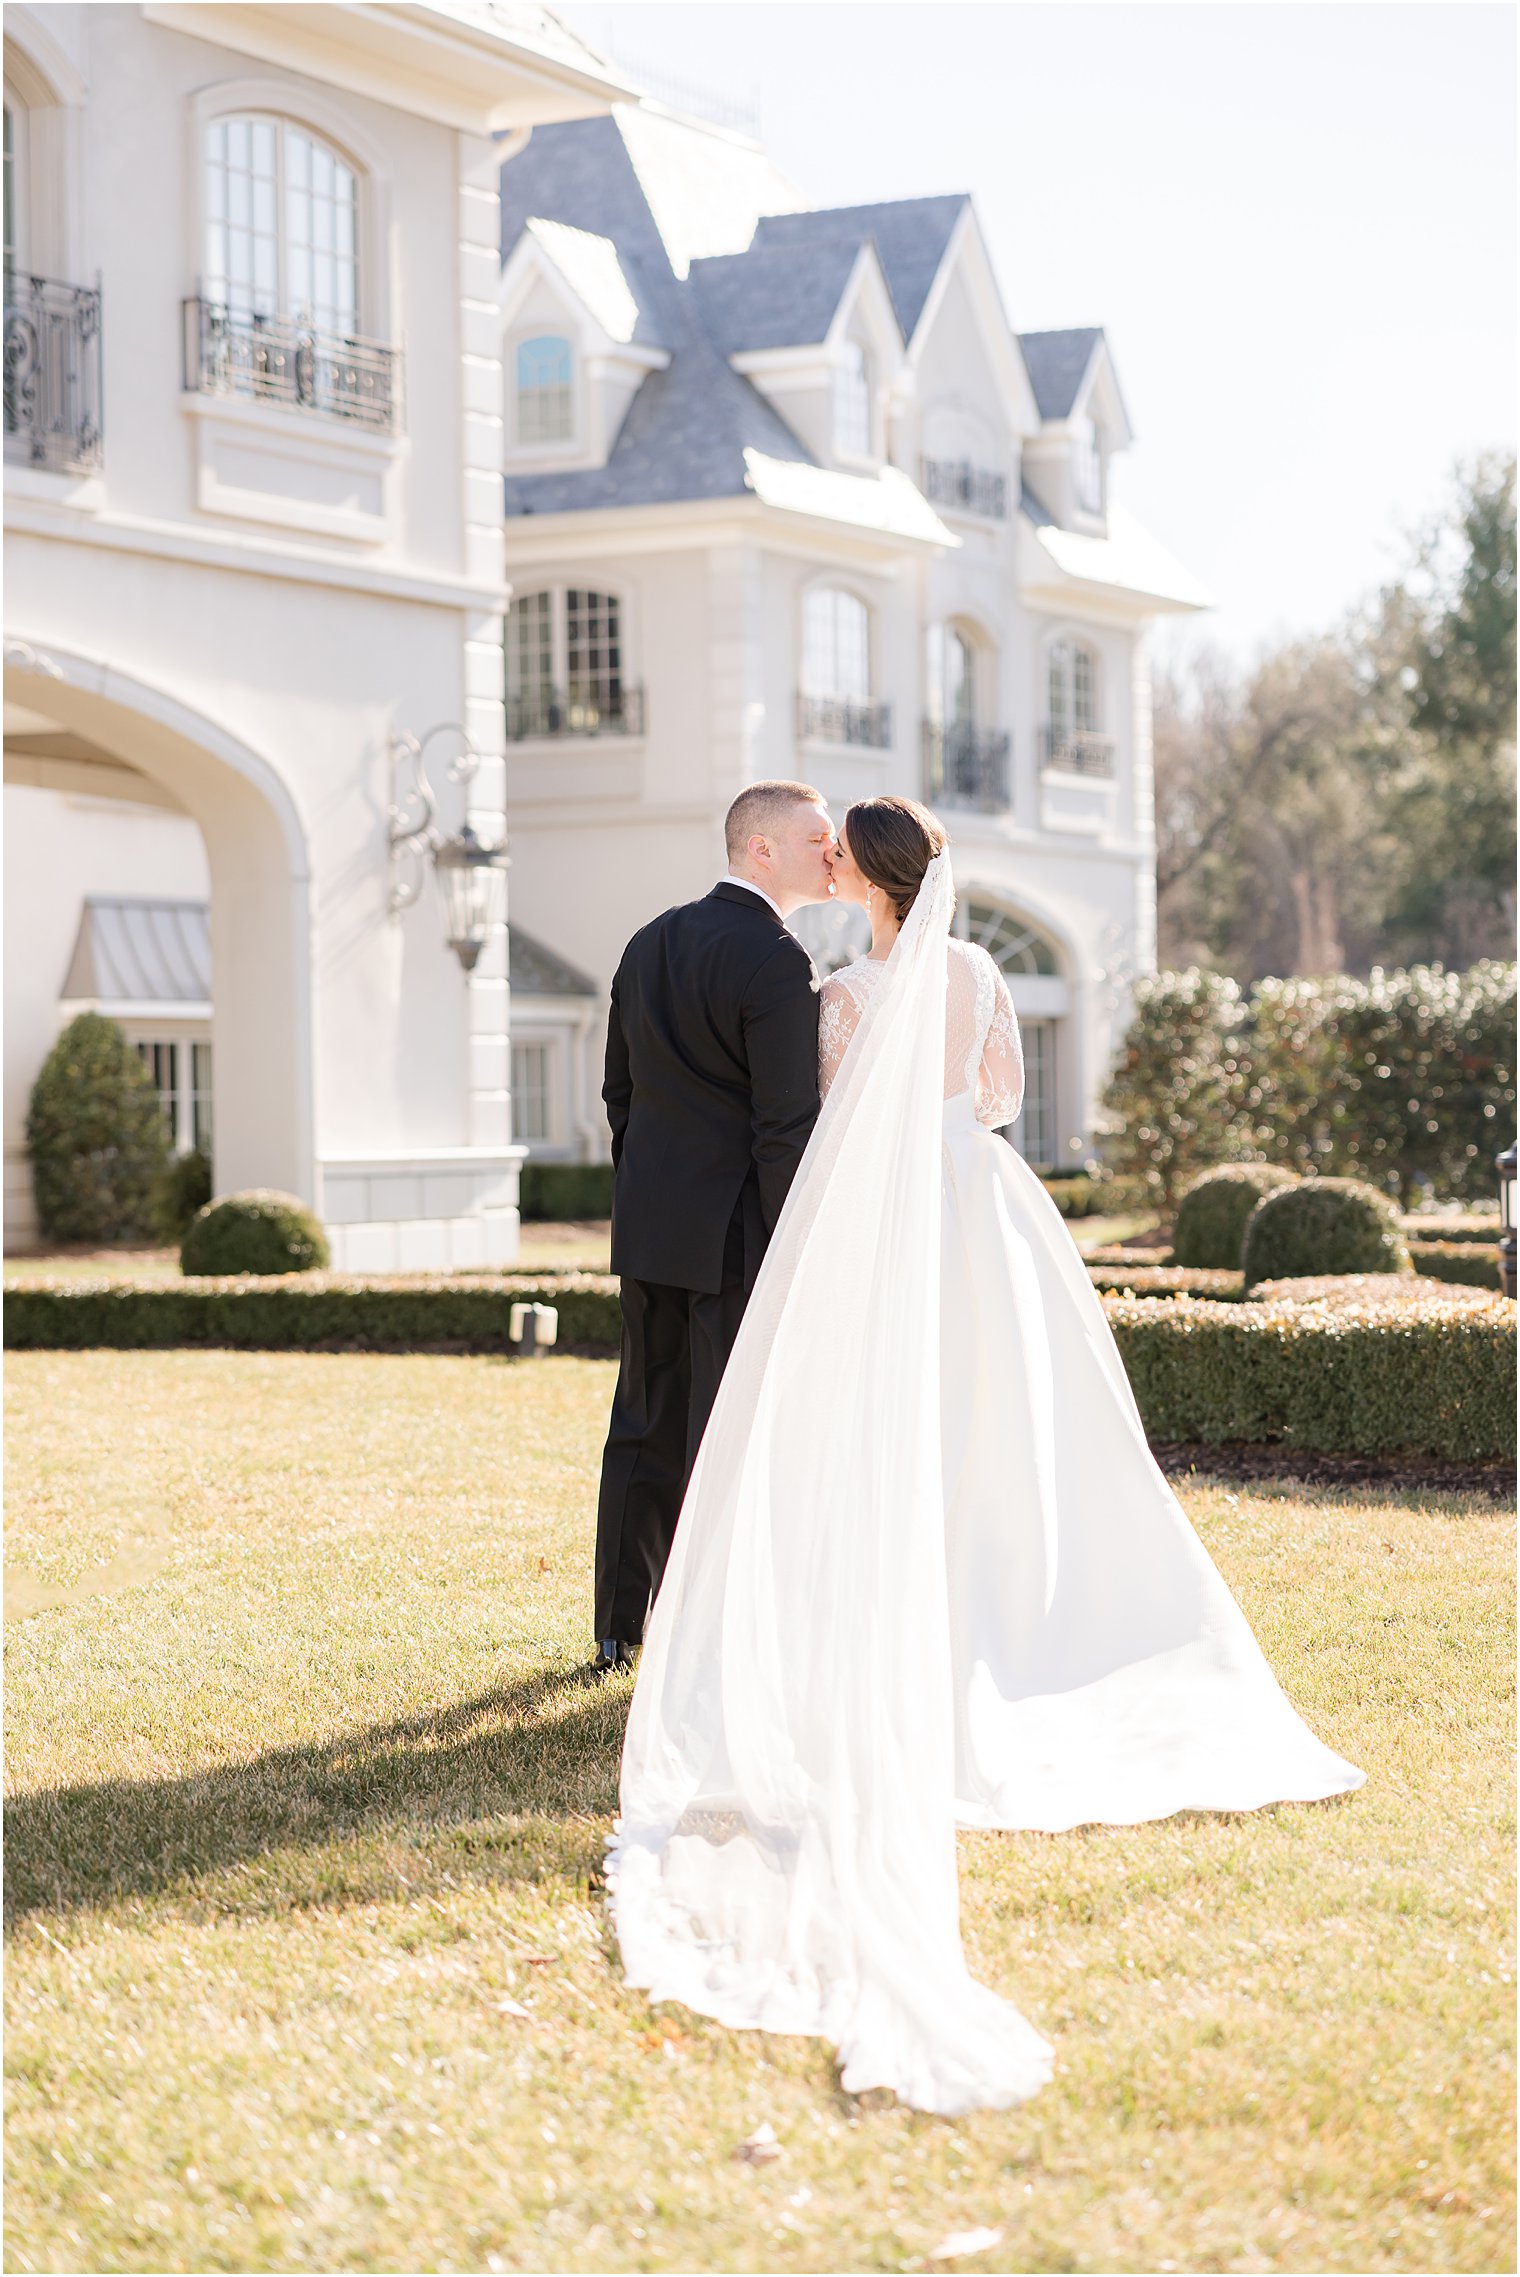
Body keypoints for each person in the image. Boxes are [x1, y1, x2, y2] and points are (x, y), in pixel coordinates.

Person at [608, 794, 1363, 2117]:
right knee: (1015, 1431)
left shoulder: (843, 993)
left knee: (886, 1426)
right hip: (988, 1209)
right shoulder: (976, 970)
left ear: (865, 880)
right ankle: (1026, 1613)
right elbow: (999, 1098)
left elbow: (828, 1127)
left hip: (895, 1221)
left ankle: (906, 1623)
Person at [590, 780, 837, 1677]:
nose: (831, 852)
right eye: (816, 837)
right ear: (760, 848)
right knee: (724, 1429)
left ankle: (619, 1626)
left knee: (642, 1419)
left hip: (650, 1222)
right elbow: (785, 1128)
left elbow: (622, 1096)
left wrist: (647, 1190)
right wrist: (792, 1244)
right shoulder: (776, 960)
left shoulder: (647, 941)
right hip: (735, 1234)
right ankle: (709, 1636)